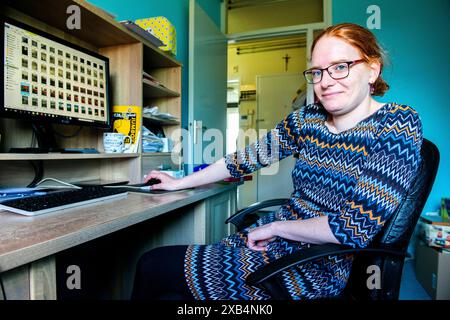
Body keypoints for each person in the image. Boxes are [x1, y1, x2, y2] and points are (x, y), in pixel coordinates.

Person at [131, 23, 423, 300]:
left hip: (316, 265)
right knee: (171, 292)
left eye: (340, 67)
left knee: (153, 265)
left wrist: (275, 228)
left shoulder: (397, 123)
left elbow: (353, 228)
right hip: (276, 241)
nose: (326, 81)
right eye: (318, 72)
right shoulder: (307, 118)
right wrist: (179, 183)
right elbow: (244, 160)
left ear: (372, 69)